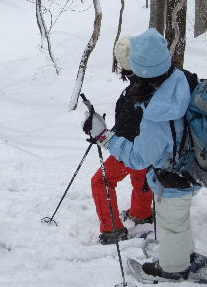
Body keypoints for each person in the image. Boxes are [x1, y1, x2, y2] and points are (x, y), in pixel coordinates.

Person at [84, 28, 202, 282]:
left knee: (172, 224)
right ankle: (185, 256)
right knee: (179, 222)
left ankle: (172, 268)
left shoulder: (157, 113)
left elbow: (139, 158)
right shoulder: (182, 78)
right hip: (192, 167)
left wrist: (104, 136)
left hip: (174, 177)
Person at [89, 37, 153, 245]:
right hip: (153, 150)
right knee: (141, 175)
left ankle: (112, 228)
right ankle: (141, 213)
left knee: (101, 181)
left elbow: (129, 130)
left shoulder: (136, 91)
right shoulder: (153, 80)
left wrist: (103, 135)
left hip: (134, 151)